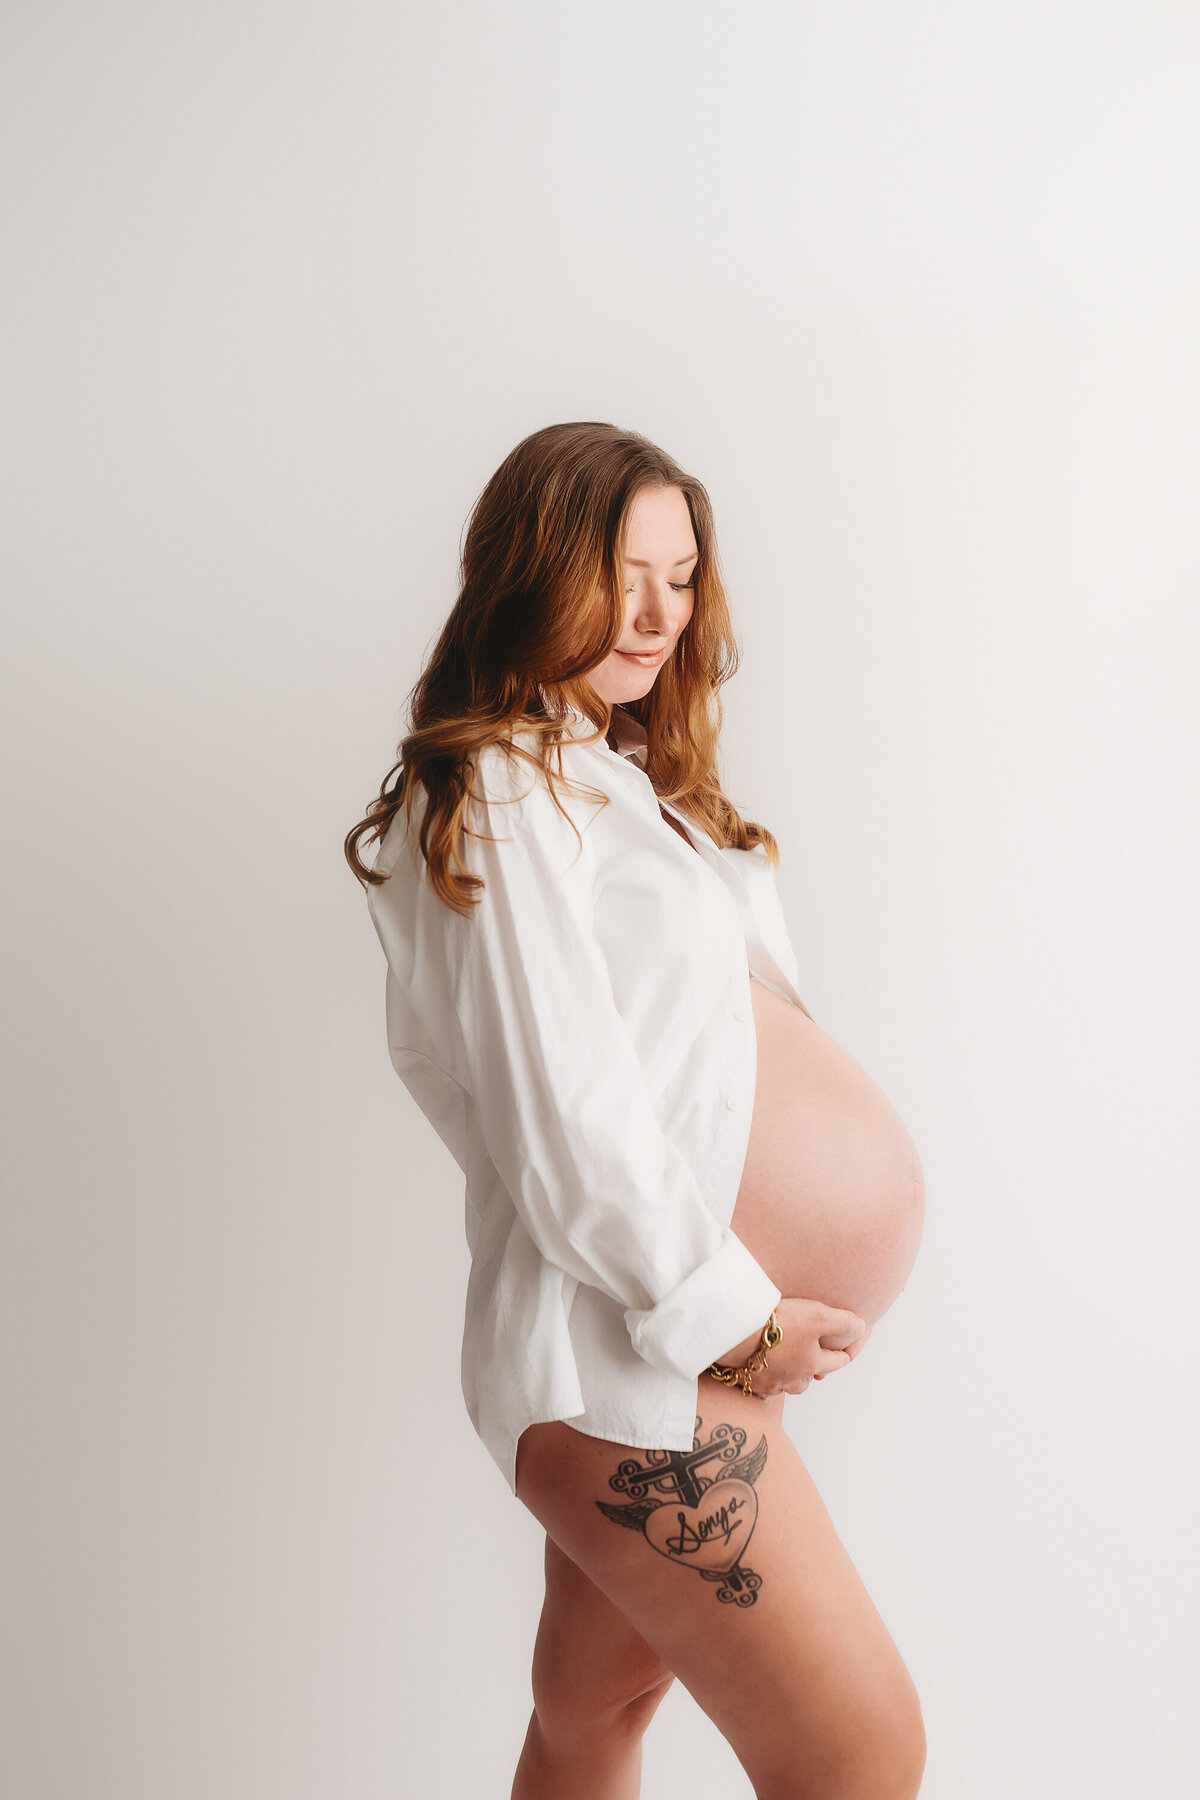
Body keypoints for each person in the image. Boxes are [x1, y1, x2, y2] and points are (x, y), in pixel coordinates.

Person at [345, 421, 927, 1800]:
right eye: (625, 574)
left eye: (683, 574)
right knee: (859, 1754)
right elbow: (568, 1109)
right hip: (644, 1371)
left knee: (586, 1715)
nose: (662, 614)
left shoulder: (609, 784)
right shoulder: (497, 785)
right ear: (536, 573)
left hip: (667, 1361)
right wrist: (742, 1318)